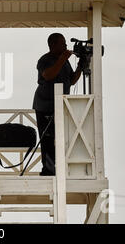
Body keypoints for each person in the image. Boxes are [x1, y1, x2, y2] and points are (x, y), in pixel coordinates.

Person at [33, 33, 85, 176]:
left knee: (62, 137)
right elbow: (49, 75)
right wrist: (62, 59)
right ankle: (48, 170)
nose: (66, 47)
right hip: (44, 106)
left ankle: (60, 167)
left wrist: (81, 66)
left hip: (60, 105)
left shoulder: (64, 61)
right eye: (63, 44)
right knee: (47, 138)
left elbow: (72, 80)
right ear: (53, 45)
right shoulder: (44, 60)